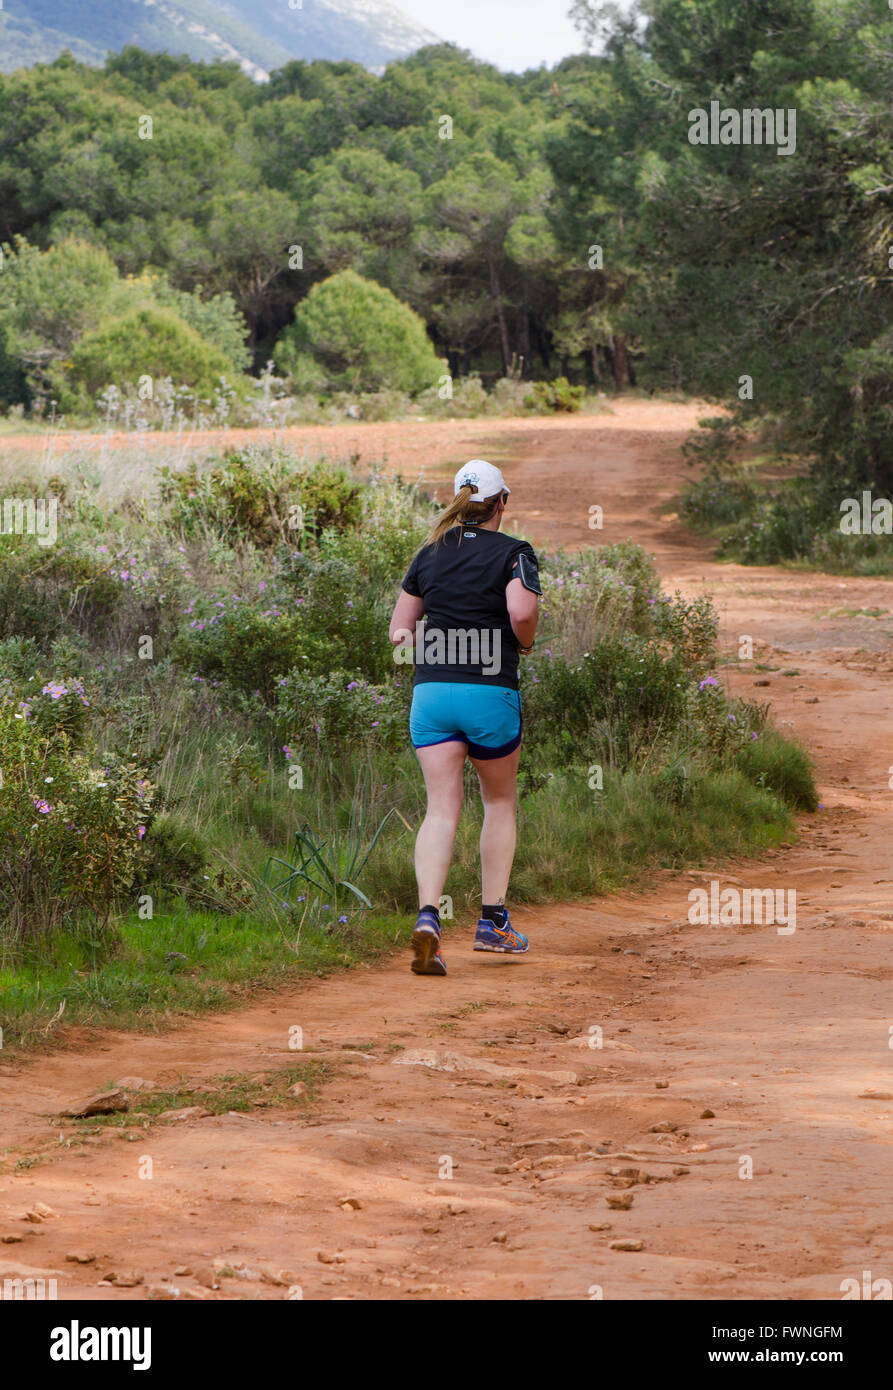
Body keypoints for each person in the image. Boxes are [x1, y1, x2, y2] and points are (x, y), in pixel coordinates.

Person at [388, 460, 541, 976]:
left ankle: (429, 916)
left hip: (431, 695)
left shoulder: (429, 553)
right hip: (489, 692)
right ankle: (493, 922)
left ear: (458, 501)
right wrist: (523, 640)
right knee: (498, 801)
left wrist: (436, 648)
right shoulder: (514, 553)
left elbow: (398, 633)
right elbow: (520, 614)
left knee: (439, 810)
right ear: (503, 503)